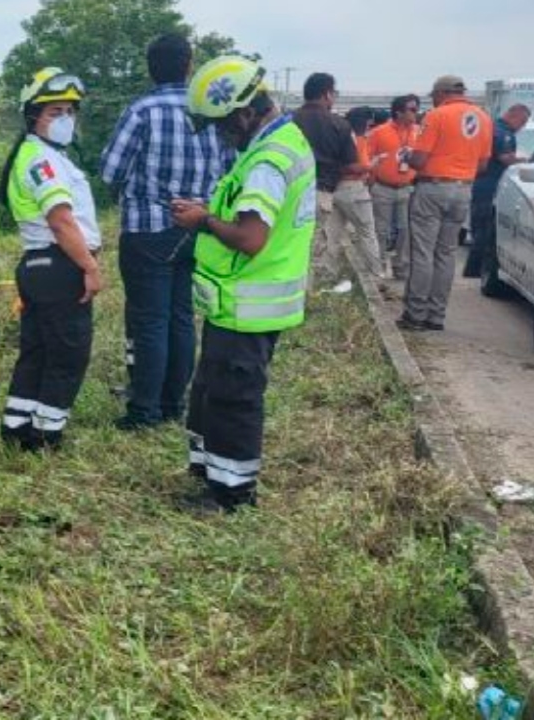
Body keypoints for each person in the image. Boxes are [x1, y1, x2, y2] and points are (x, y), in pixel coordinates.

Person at [170, 56, 316, 512]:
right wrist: (209, 213)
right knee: (214, 390)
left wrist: (203, 220)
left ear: (244, 113)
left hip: (250, 304)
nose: (220, 135)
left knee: (234, 398)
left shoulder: (267, 163)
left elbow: (251, 238)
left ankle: (232, 495)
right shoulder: (275, 145)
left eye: (222, 125)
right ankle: (213, 475)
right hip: (236, 302)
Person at [100, 34, 235, 431]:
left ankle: (145, 411)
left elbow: (110, 170)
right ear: (189, 65)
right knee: (180, 317)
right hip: (198, 227)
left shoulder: (142, 110)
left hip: (148, 229)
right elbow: (230, 168)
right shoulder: (209, 111)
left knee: (150, 321)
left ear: (150, 66)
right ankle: (174, 403)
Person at [0, 67, 103, 451]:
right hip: (60, 265)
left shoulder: (37, 155)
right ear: (33, 117)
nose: (65, 120)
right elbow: (61, 220)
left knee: (38, 352)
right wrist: (90, 268)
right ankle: (44, 436)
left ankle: (17, 426)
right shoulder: (41, 161)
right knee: (68, 355)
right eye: (55, 112)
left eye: (70, 112)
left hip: (39, 267)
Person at [398, 75, 493, 332]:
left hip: (433, 187)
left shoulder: (437, 115)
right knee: (446, 253)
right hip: (463, 189)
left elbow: (418, 160)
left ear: (442, 93)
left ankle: (415, 314)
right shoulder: (483, 118)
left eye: (433, 96)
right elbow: (483, 164)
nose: (433, 100)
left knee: (422, 252)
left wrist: (408, 155)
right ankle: (436, 316)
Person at [292, 72, 359, 283]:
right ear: (327, 94)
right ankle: (305, 295)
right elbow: (351, 165)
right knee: (312, 246)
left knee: (287, 242)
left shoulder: (288, 120)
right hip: (321, 191)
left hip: (288, 189)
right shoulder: (339, 125)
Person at [462, 103, 530, 278]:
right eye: (522, 122)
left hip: (484, 184)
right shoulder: (503, 133)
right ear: (514, 116)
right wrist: (527, 162)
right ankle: (475, 270)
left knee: (482, 227)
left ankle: (474, 269)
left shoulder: (493, 128)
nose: (522, 127)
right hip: (489, 186)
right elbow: (505, 158)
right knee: (484, 229)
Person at [366, 94, 422, 279]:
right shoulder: (379, 132)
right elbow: (368, 158)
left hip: (407, 188)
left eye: (417, 109)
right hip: (383, 188)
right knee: (380, 230)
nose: (416, 113)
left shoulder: (418, 132)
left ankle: (401, 267)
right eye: (412, 109)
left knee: (405, 230)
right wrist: (372, 181)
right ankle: (379, 267)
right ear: (399, 112)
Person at [334, 107, 382, 276]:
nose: (370, 128)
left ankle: (327, 271)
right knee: (367, 232)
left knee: (332, 233)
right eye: (369, 124)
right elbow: (355, 166)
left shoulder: (338, 136)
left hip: (335, 188)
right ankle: (375, 273)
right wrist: (372, 165)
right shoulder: (358, 139)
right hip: (354, 188)